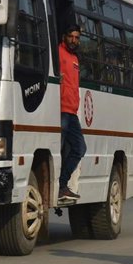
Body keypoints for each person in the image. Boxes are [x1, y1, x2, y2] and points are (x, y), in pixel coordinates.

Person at [57, 24, 87, 201]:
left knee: (80, 148)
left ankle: (62, 184)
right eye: (71, 36)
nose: (74, 40)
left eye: (77, 37)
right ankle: (58, 187)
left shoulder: (75, 58)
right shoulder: (58, 53)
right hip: (60, 110)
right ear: (64, 37)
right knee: (58, 149)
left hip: (71, 111)